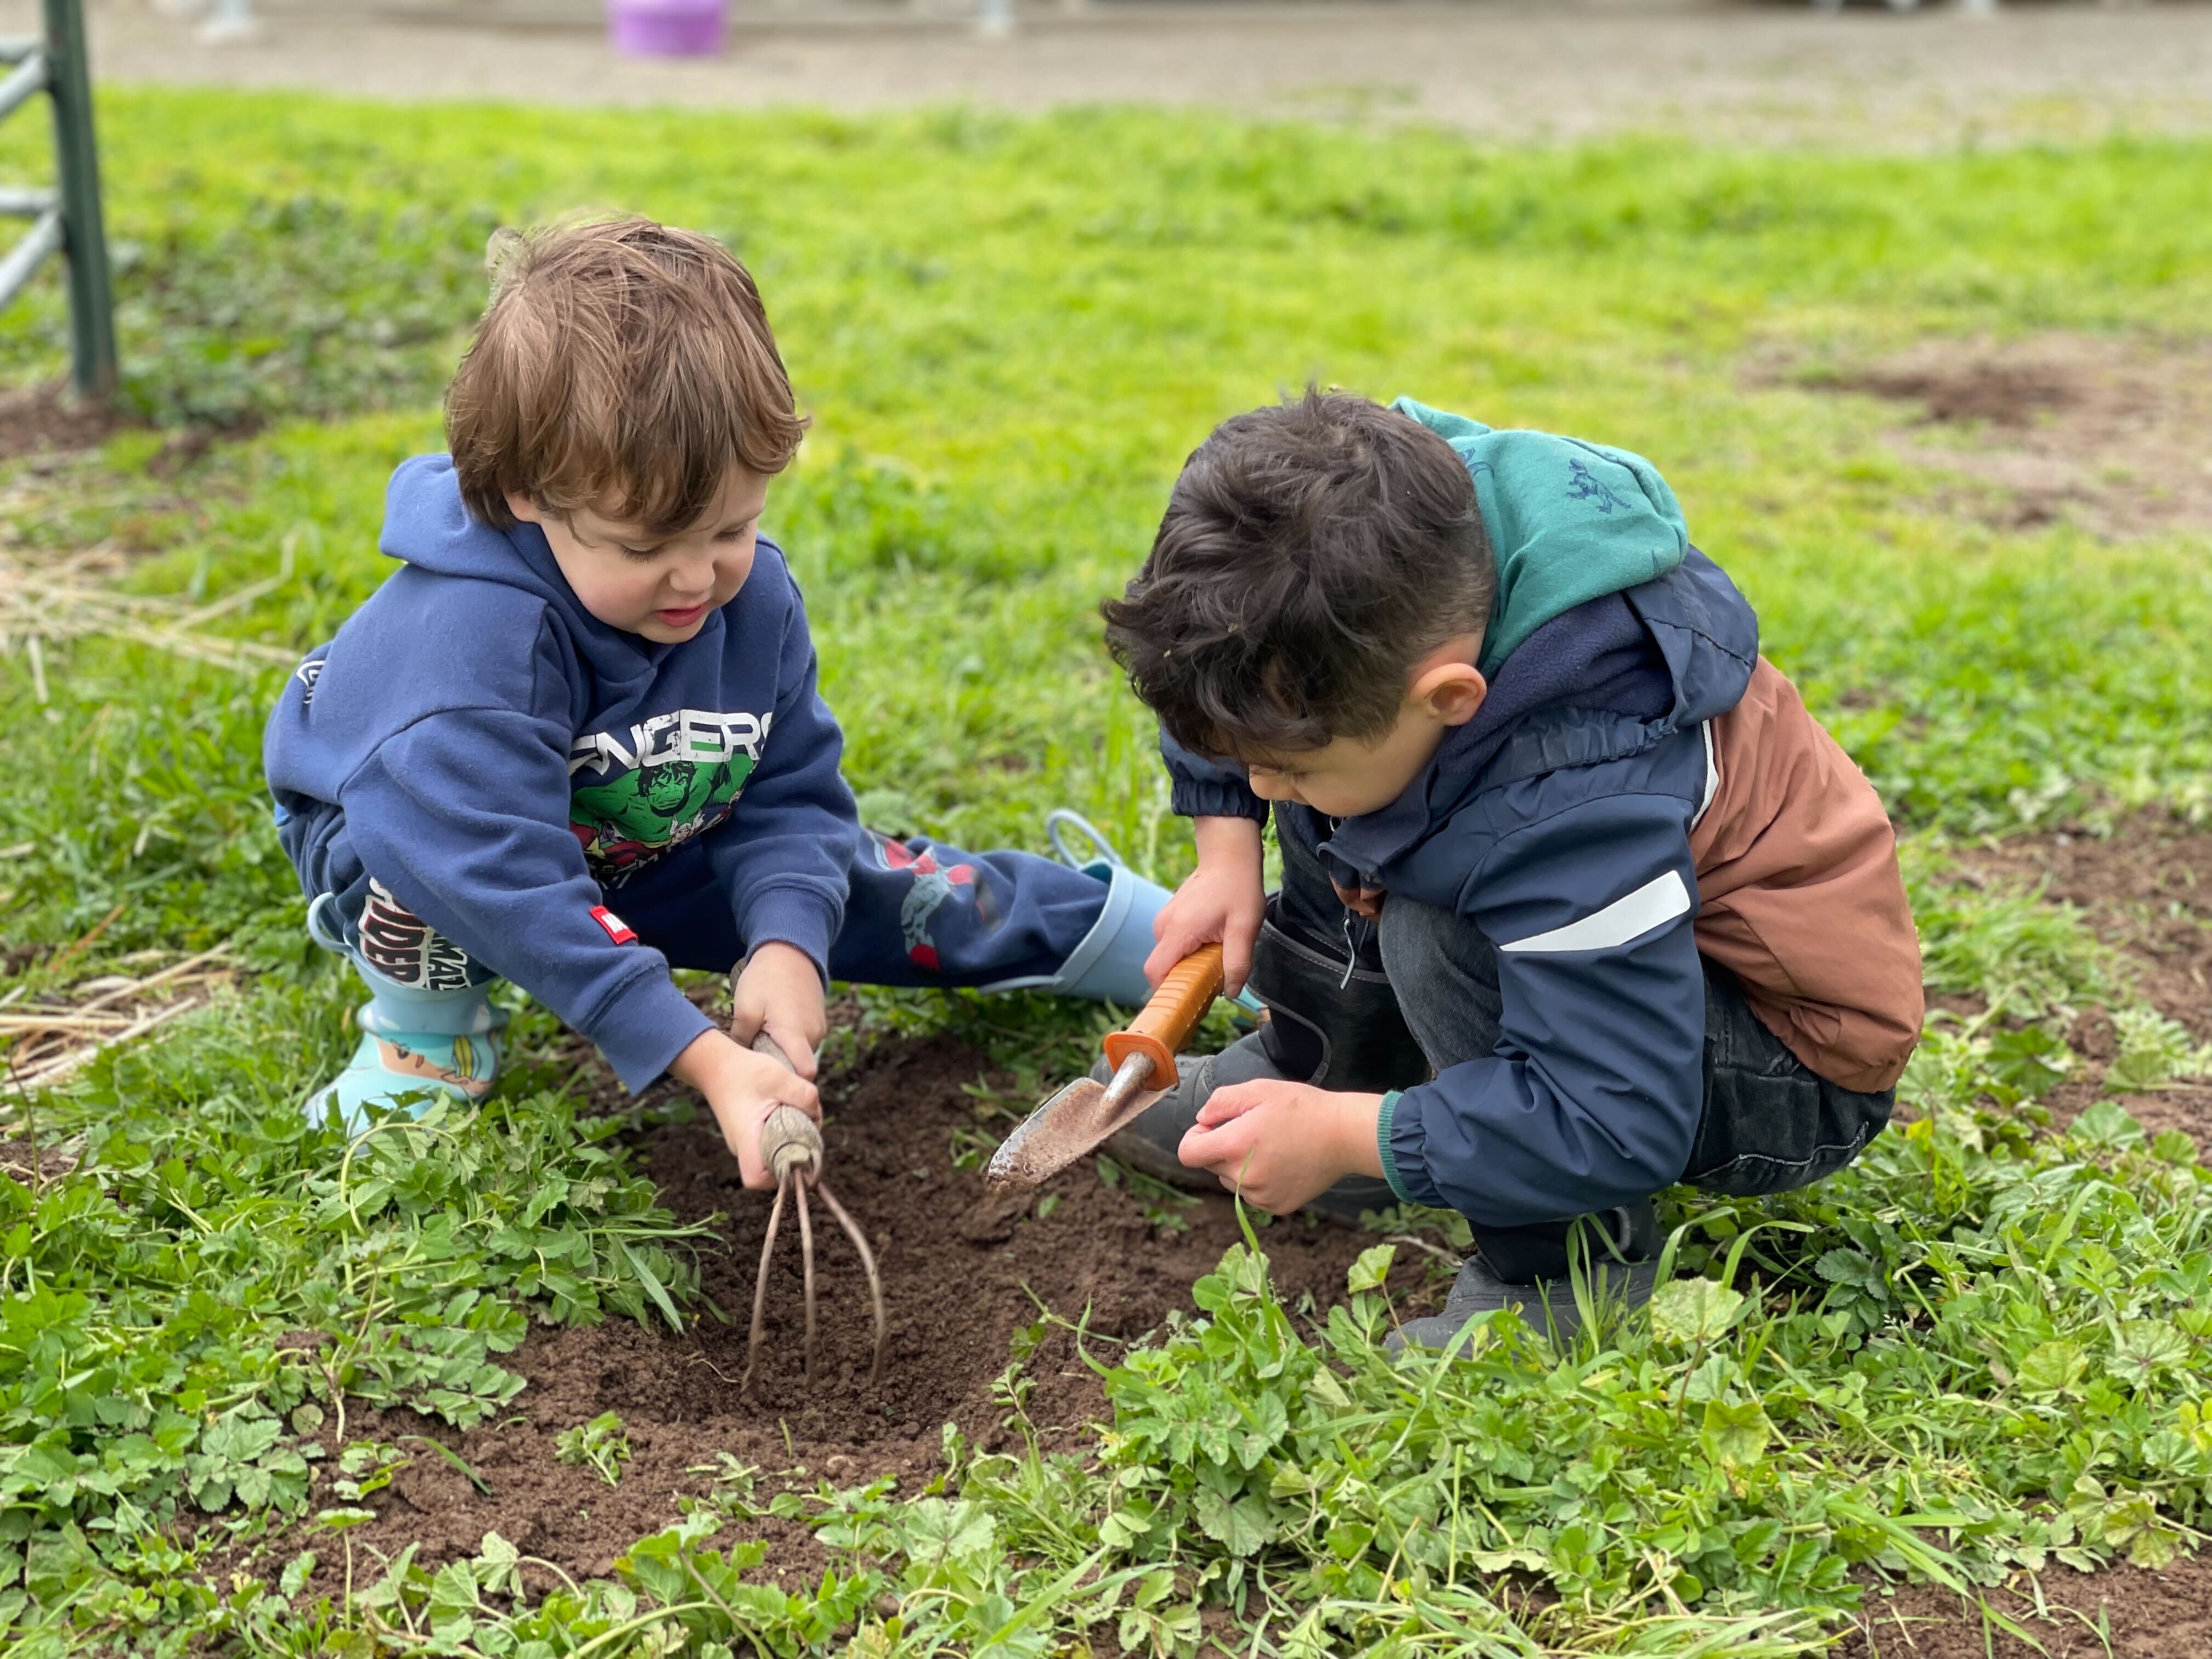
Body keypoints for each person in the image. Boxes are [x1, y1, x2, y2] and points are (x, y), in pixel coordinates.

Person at [264, 217, 1166, 1190]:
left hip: (637, 831)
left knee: (863, 887)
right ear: (529, 494)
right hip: (426, 841)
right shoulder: (471, 647)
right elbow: (504, 875)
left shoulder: (754, 597)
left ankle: (1140, 939)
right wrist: (700, 1055)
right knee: (423, 880)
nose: (697, 576)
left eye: (732, 527)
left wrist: (786, 942)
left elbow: (787, 799)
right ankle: (424, 1047)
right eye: (646, 547)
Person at [1099, 390, 1923, 1347]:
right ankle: (1327, 1074)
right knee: (1336, 784)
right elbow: (1230, 669)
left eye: (1278, 766)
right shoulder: (1373, 578)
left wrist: (1347, 1139)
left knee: (1439, 925)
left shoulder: (1577, 792)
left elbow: (1617, 1110)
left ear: (1452, 696)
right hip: (1618, 974)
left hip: (1776, 1058)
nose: (1261, 780)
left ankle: (1568, 1267)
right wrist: (1226, 847)